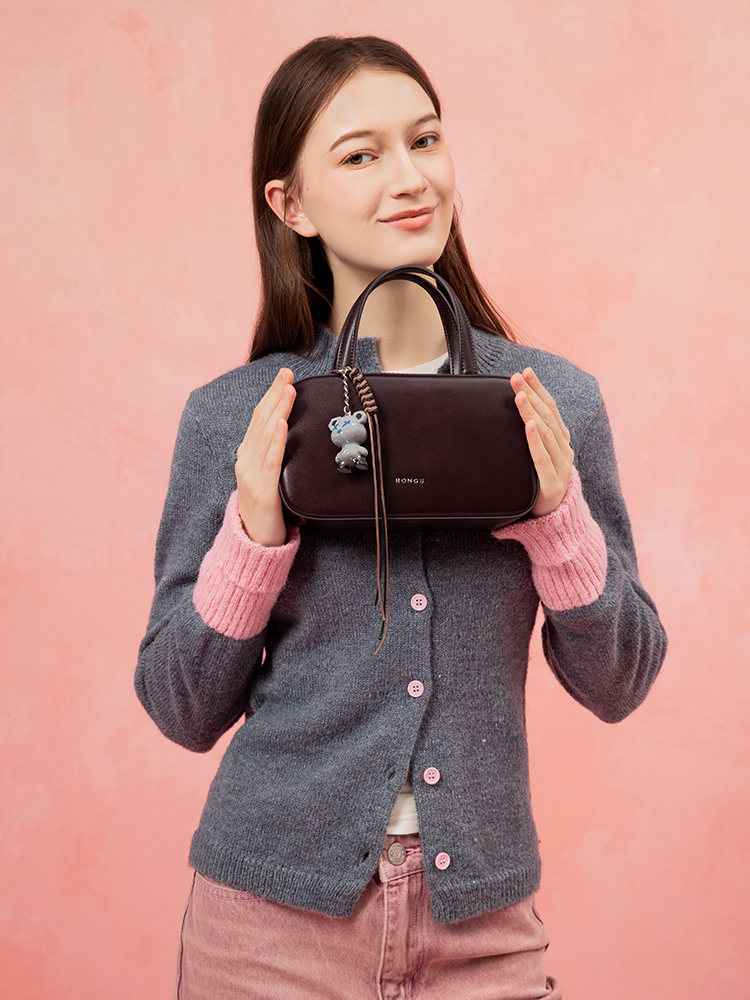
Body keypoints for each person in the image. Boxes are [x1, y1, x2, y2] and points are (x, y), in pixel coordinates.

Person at [136, 35, 667, 1000]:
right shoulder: (242, 413)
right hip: (266, 930)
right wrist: (253, 538)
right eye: (360, 154)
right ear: (289, 204)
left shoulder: (553, 402)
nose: (409, 176)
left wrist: (559, 526)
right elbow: (179, 706)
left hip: (484, 934)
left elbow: (621, 681)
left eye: (424, 140)